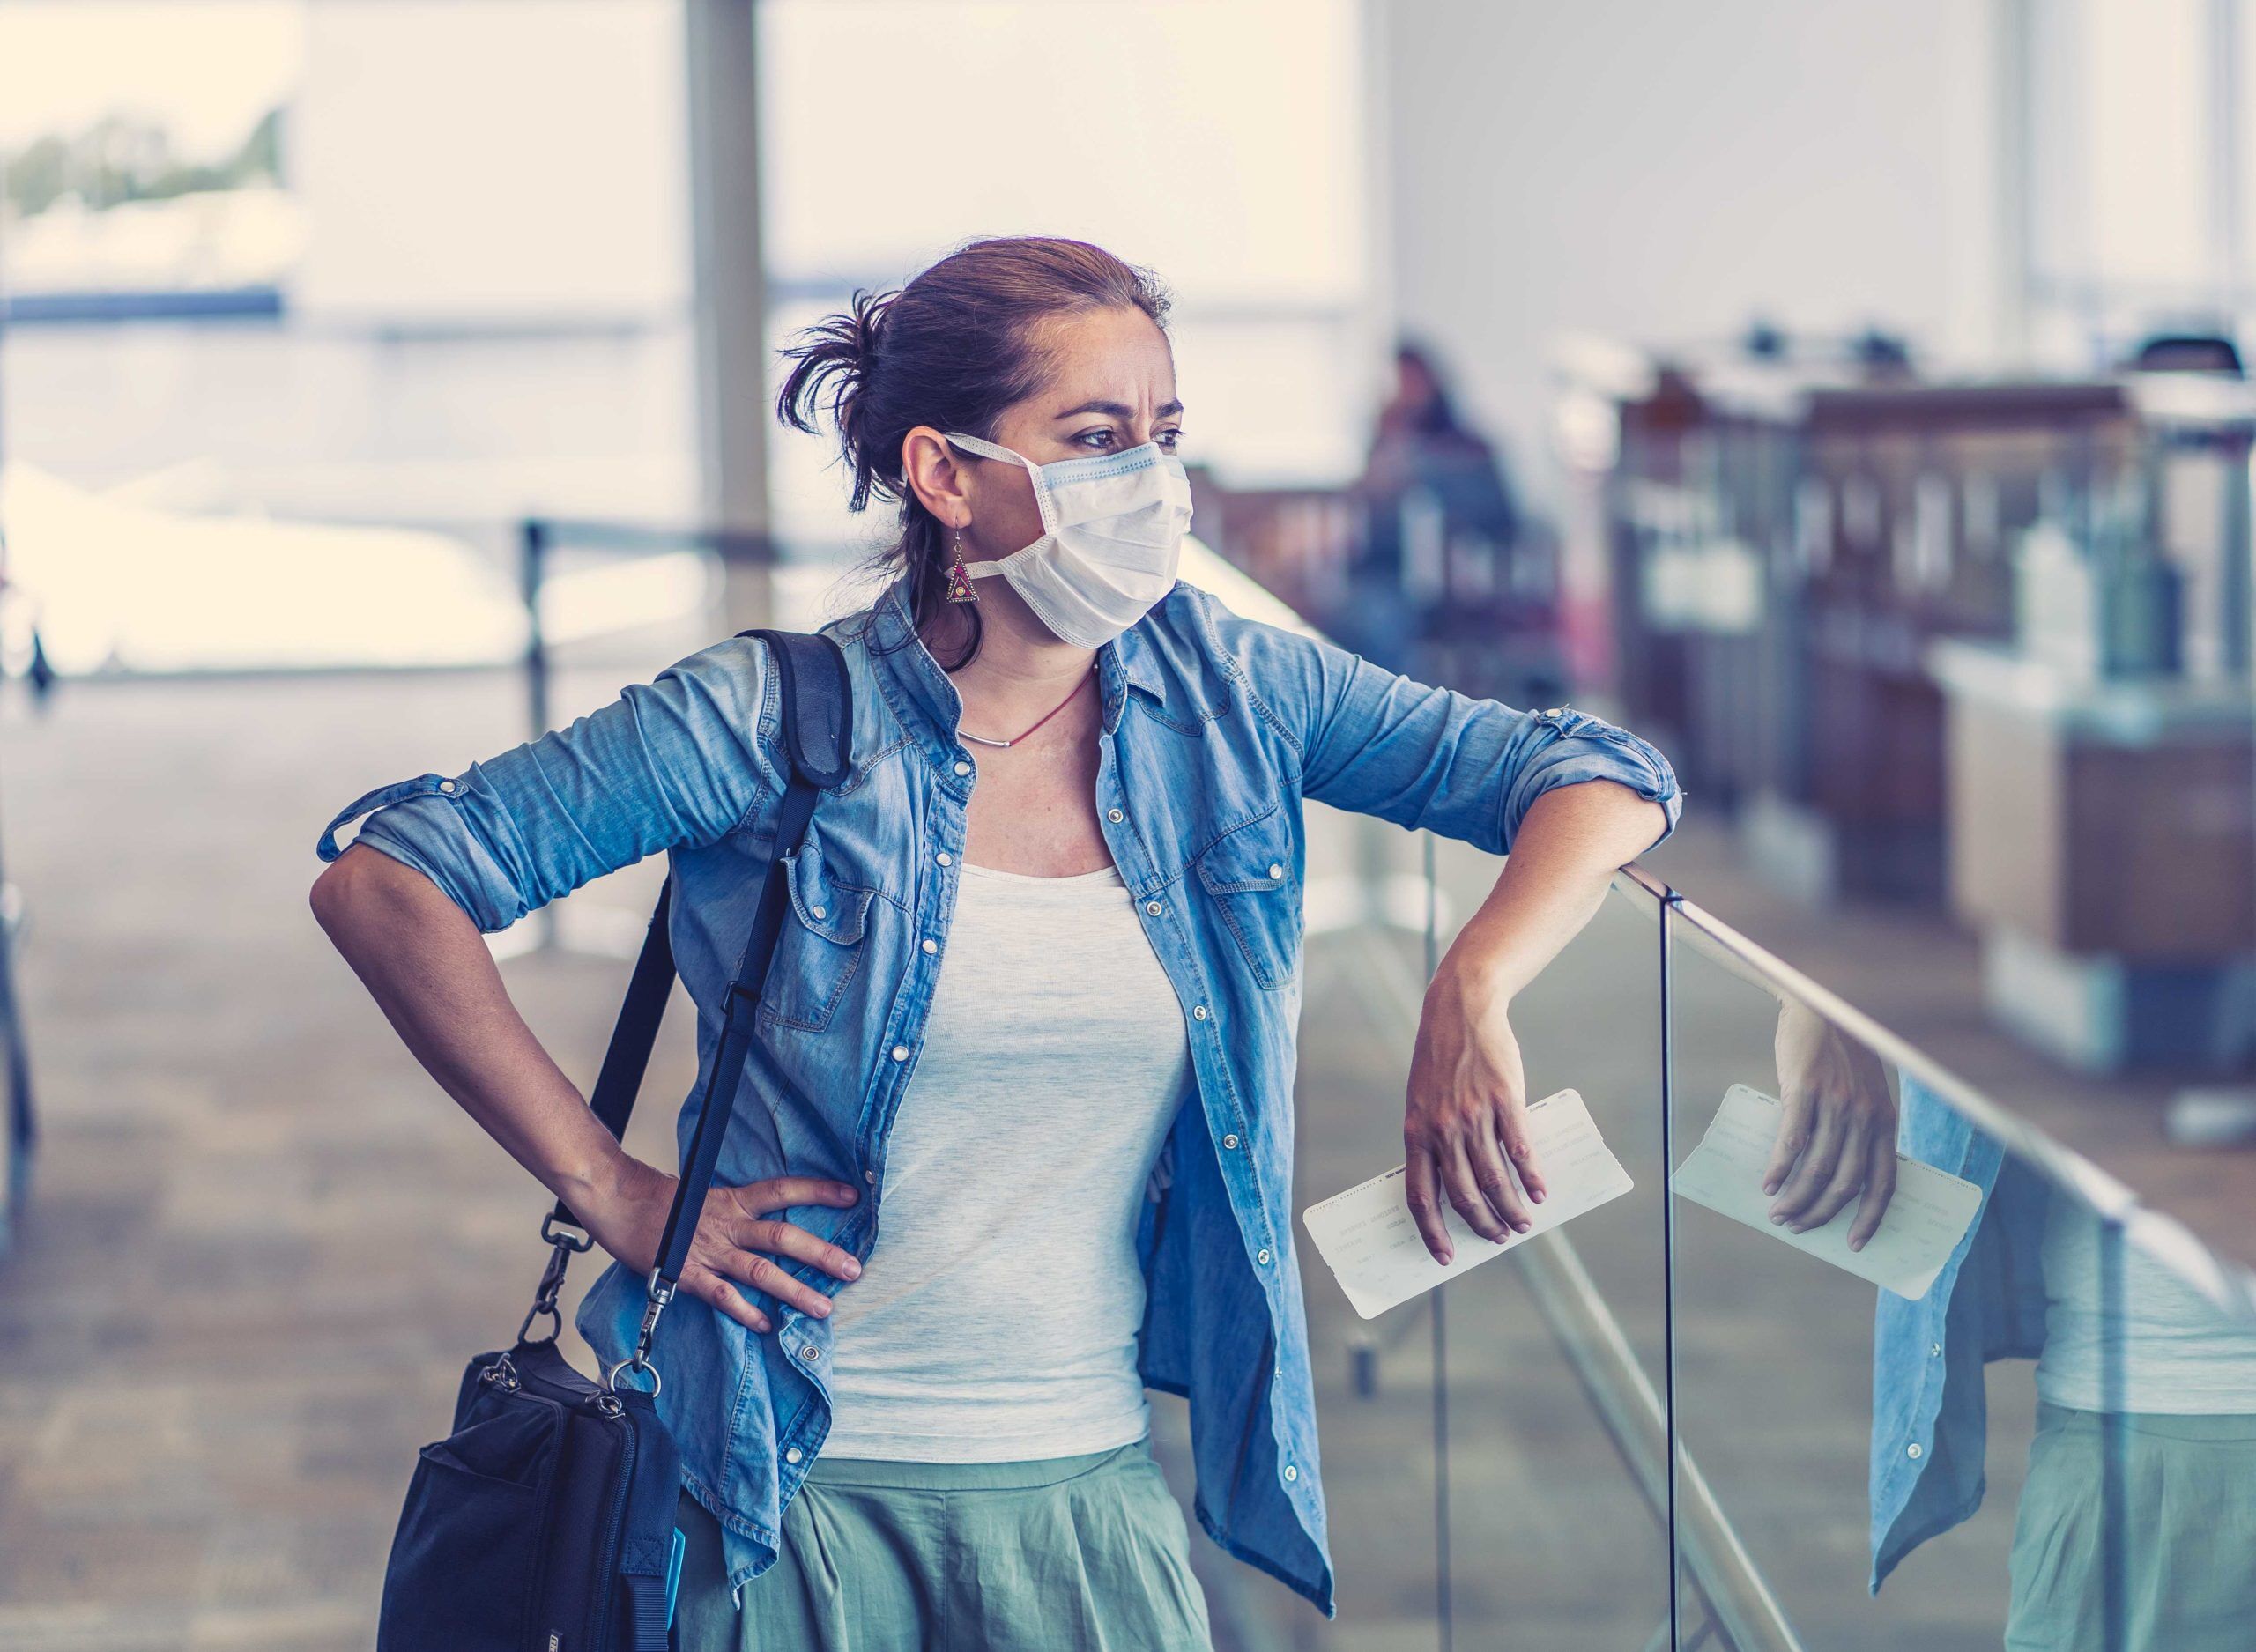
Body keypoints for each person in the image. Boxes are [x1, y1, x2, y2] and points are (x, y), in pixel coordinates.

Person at [308, 236, 1681, 1650]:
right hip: (778, 1495)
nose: (1148, 482)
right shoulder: (776, 716)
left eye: (1163, 434)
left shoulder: (1232, 691)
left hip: (1084, 1490)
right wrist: (612, 1185)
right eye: (1093, 438)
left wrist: (1477, 975)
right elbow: (386, 882)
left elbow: (1600, 774)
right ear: (944, 472)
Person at [1337, 341, 1523, 674]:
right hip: (1388, 578)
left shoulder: (1469, 449)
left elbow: (1501, 520)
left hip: (1461, 579)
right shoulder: (1384, 443)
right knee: (1368, 623)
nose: (1405, 392)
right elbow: (1366, 520)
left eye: (1412, 381)